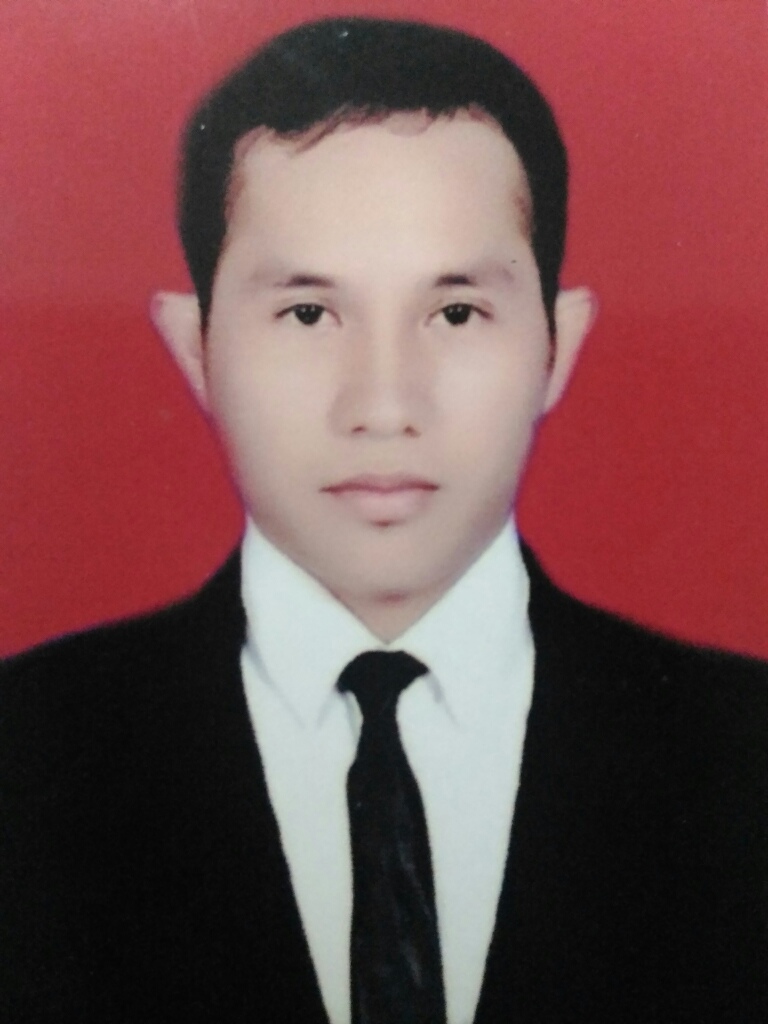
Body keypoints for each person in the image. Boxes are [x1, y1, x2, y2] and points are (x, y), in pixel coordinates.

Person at [1, 16, 766, 1024]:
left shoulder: (742, 755)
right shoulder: (27, 756)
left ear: (556, 344)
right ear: (196, 349)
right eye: (308, 314)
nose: (384, 404)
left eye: (455, 313)